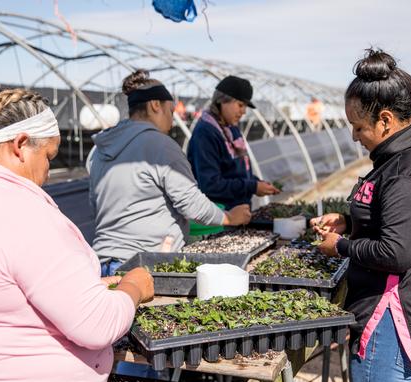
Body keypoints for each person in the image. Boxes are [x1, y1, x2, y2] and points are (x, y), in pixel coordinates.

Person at [0, 88, 154, 382]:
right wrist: (134, 286)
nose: (48, 171)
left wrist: (84, 286)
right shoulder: (21, 213)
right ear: (20, 145)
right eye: (48, 156)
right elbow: (97, 324)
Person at [311, 49, 411, 382]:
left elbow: (396, 252)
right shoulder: (404, 158)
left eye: (358, 126)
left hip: (393, 321)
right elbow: (400, 220)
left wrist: (340, 246)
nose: (353, 136)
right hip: (407, 317)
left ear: (385, 120)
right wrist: (350, 221)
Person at [88, 70, 251, 275]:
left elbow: (95, 204)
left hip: (102, 263)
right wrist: (229, 217)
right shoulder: (160, 146)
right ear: (156, 105)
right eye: (171, 111)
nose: (172, 121)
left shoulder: (99, 149)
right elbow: (191, 204)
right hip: (143, 265)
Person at [187, 75, 280, 210]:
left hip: (239, 212)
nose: (243, 111)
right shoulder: (206, 133)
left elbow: (236, 172)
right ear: (222, 101)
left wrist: (256, 183)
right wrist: (252, 187)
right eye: (240, 105)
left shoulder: (231, 128)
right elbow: (210, 185)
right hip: (220, 217)